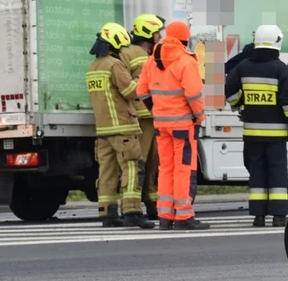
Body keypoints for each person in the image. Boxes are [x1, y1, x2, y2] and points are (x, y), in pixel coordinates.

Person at [225, 24, 288, 227]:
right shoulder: (281, 70)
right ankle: (278, 215)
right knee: (277, 173)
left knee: (257, 172)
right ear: (277, 41)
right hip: (275, 135)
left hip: (251, 133)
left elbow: (230, 90)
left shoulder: (243, 67)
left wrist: (239, 104)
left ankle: (258, 216)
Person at [136, 19, 210, 230]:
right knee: (183, 169)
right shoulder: (186, 61)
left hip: (161, 124)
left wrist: (156, 110)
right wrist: (198, 116)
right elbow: (194, 94)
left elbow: (141, 92)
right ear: (185, 39)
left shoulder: (152, 60)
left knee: (165, 168)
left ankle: (165, 216)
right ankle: (184, 216)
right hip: (183, 124)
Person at [86, 22, 155, 229]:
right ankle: (132, 211)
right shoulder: (114, 65)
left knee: (106, 171)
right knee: (132, 166)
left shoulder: (92, 67)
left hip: (103, 129)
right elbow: (131, 92)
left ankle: (107, 212)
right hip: (123, 127)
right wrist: (145, 81)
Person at [120, 14, 165, 222]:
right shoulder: (130, 54)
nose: (159, 36)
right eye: (157, 32)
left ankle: (153, 204)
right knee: (141, 162)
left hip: (152, 116)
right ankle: (134, 206)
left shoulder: (149, 54)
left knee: (153, 163)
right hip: (141, 117)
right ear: (148, 32)